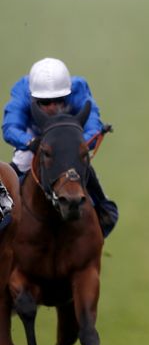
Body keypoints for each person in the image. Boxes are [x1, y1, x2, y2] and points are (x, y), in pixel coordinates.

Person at [2, 57, 118, 237]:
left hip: (68, 144)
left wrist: (72, 146)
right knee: (21, 162)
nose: (53, 107)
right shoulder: (22, 91)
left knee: (83, 165)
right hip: (34, 142)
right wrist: (31, 143)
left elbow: (93, 127)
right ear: (33, 97)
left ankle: (103, 210)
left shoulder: (79, 89)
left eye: (59, 100)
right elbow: (10, 128)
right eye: (45, 102)